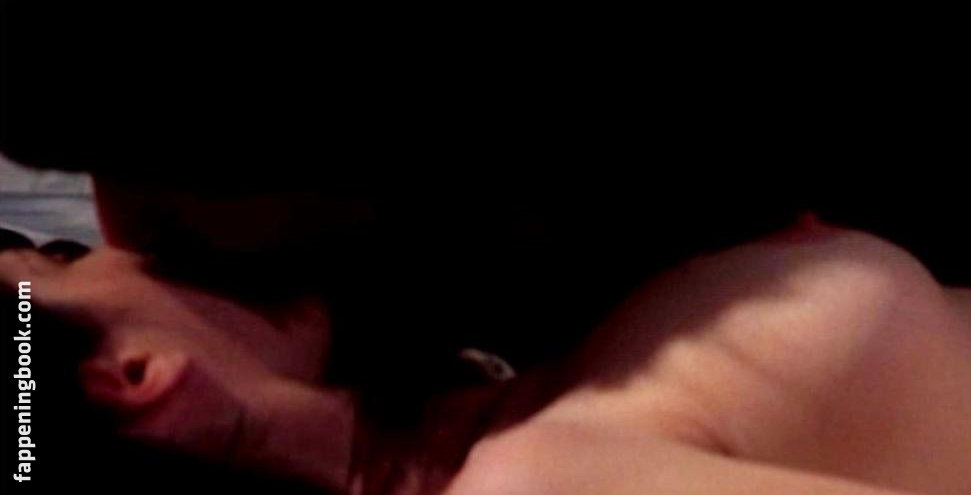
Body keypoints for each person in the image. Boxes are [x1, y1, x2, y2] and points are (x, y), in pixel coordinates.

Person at [3, 212, 969, 494]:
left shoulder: (492, 391)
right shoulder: (535, 483)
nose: (120, 234)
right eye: (65, 257)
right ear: (136, 378)